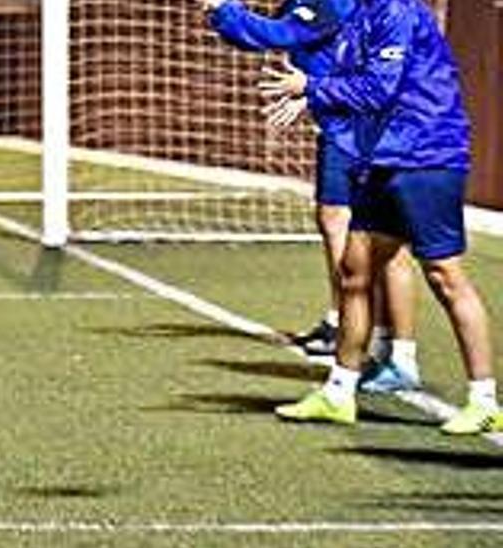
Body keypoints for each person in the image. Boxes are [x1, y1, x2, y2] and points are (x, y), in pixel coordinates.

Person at [263, 0, 499, 433]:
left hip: (426, 156)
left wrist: (312, 88)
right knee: (354, 271)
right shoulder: (360, 15)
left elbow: (380, 87)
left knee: (445, 275)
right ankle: (339, 392)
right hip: (383, 157)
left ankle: (484, 398)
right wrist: (223, 12)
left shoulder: (399, 13)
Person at [198, 0, 421, 392]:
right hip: (347, 121)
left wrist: (224, 11)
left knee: (383, 242)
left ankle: (390, 351)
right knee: (352, 229)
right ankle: (362, 334)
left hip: (367, 128)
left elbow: (279, 34)